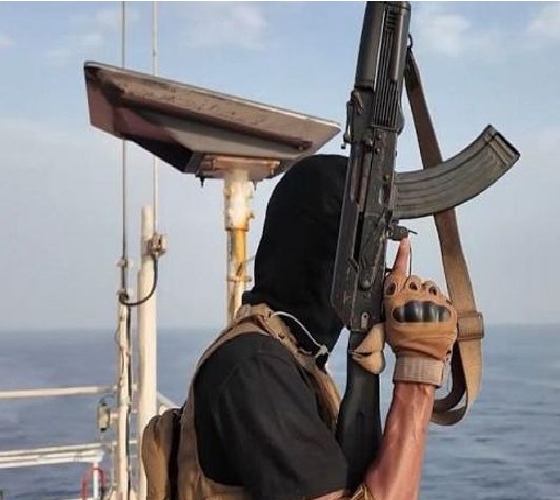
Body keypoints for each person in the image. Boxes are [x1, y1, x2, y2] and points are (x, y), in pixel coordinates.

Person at [154, 154, 458, 500]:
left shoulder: (291, 359)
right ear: (335, 261)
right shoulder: (255, 367)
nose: (384, 279)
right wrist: (419, 370)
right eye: (371, 260)